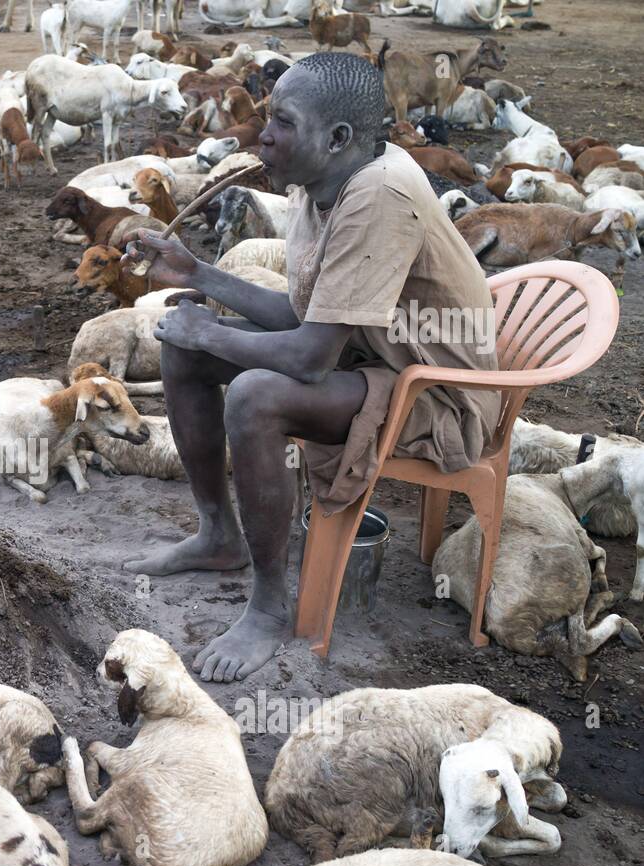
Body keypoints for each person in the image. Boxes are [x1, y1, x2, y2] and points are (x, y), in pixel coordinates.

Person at [123, 52, 498, 682]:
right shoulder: (319, 181)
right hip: (373, 357)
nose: (263, 136)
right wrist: (198, 276)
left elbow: (308, 353)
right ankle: (220, 536)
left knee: (254, 396)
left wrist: (212, 326)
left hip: (436, 393)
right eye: (267, 117)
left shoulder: (379, 195)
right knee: (185, 346)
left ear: (338, 138)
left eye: (282, 124)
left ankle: (269, 608)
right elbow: (306, 316)